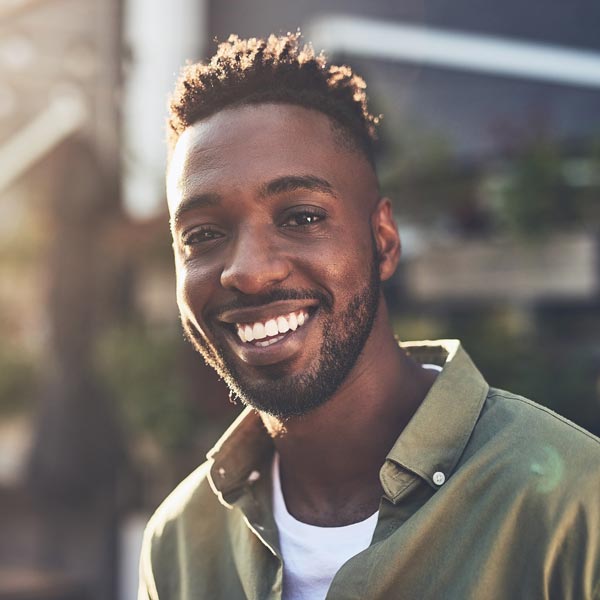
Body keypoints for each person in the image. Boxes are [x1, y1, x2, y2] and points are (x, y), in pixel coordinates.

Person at [138, 32, 600, 600]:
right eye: (203, 235)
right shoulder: (179, 542)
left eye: (301, 217)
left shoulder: (574, 505)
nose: (249, 273)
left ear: (382, 241)